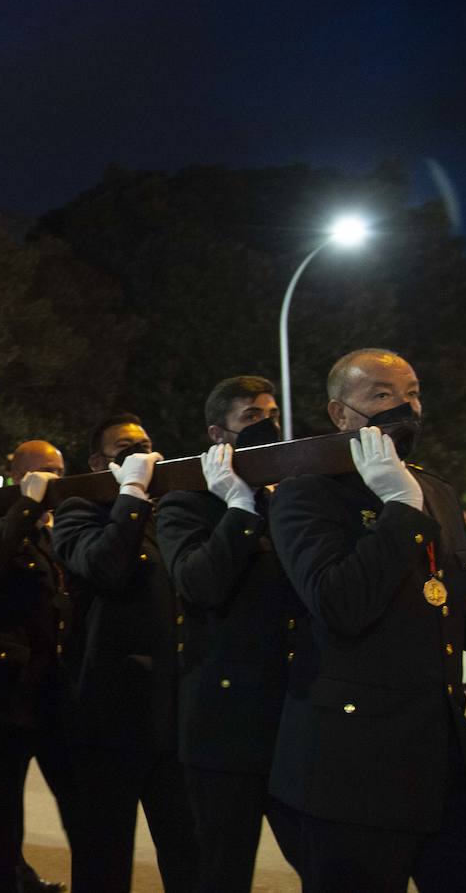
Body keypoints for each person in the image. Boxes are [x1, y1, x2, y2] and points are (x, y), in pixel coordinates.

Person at [268, 348, 466, 890]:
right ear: (340, 415)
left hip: (444, 752)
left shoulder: (436, 489)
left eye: (411, 393)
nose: (402, 407)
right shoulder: (306, 492)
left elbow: (453, 604)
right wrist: (399, 509)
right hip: (354, 767)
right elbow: (338, 603)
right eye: (381, 395)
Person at [155, 376, 303, 892]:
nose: (268, 426)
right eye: (251, 417)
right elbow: (199, 584)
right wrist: (238, 508)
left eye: (273, 414)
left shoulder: (291, 497)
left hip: (296, 716)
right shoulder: (187, 502)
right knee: (222, 871)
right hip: (226, 726)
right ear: (220, 433)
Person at [51, 413, 198, 892]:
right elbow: (106, 567)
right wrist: (129, 496)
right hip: (110, 714)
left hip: (173, 711)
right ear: (98, 461)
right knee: (104, 856)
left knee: (187, 851)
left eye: (146, 443)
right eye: (125, 446)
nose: (140, 453)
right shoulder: (79, 512)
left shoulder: (168, 511)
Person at [0, 439, 77, 893]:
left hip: (52, 692)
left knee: (79, 804)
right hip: (4, 697)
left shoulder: (53, 532)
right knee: (2, 820)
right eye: (44, 471)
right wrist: (26, 505)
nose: (54, 480)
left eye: (59, 470)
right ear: (20, 476)